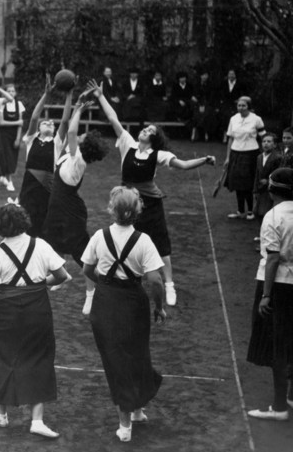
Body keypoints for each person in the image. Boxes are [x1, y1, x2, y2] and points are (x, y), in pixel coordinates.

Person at [90, 79, 217, 306]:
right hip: (127, 201)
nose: (144, 130)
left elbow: (185, 165)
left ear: (153, 139)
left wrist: (205, 160)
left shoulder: (158, 155)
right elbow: (112, 118)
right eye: (145, 128)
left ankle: (169, 285)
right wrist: (100, 96)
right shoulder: (127, 143)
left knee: (160, 245)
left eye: (150, 130)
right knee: (126, 239)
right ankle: (131, 278)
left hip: (150, 203)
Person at [0, 203, 71, 439]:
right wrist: (39, 285)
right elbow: (62, 275)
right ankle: (37, 420)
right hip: (37, 309)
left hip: (5, 314)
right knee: (39, 358)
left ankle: (1, 414)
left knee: (1, 356)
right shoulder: (40, 245)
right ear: (23, 222)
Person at [82, 186, 166, 442]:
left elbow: (87, 269)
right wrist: (159, 307)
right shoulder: (144, 241)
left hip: (106, 303)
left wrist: (106, 281)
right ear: (137, 211)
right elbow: (156, 281)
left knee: (115, 361)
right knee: (137, 355)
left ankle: (126, 424)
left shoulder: (99, 235)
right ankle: (135, 411)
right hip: (133, 303)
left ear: (112, 210)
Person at [42, 90, 107, 315]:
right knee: (50, 241)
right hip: (59, 208)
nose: (80, 135)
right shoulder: (73, 155)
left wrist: (79, 107)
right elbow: (68, 129)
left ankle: (95, 292)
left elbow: (71, 129)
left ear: (84, 145)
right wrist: (76, 106)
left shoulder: (77, 159)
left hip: (71, 212)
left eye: (82, 136)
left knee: (83, 256)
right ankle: (62, 275)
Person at [247, 168, 293, 421]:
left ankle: (279, 407)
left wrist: (266, 295)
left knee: (277, 344)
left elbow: (273, 258)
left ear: (272, 190)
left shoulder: (273, 216)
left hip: (278, 286)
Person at [18, 75, 57, 236]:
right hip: (29, 186)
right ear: (38, 128)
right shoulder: (31, 139)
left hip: (47, 186)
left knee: (44, 224)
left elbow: (67, 124)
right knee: (26, 222)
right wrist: (46, 95)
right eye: (45, 122)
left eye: (51, 123)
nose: (49, 123)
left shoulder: (58, 142)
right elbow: (34, 117)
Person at [224, 96, 266, 220]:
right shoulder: (233, 119)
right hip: (235, 154)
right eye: (239, 105)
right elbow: (230, 139)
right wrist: (227, 158)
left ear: (249, 106)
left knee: (248, 184)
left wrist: (264, 156)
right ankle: (240, 210)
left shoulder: (257, 119)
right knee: (237, 183)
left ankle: (250, 211)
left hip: (251, 154)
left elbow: (264, 138)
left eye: (243, 105)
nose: (241, 108)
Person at [253, 133, 282, 222]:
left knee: (267, 214)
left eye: (269, 141)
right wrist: (255, 190)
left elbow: (279, 174)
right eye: (264, 141)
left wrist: (268, 181)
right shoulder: (259, 157)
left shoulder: (277, 157)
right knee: (257, 213)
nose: (266, 143)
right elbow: (257, 174)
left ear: (275, 145)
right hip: (260, 189)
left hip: (271, 190)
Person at [218, 69, 245, 142]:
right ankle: (225, 136)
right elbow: (221, 94)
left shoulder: (240, 84)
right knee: (225, 118)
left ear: (235, 75)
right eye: (230, 74)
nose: (231, 76)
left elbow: (242, 94)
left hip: (236, 105)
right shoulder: (224, 83)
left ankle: (235, 137)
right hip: (226, 104)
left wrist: (239, 100)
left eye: (233, 74)